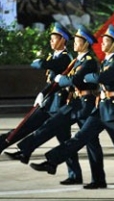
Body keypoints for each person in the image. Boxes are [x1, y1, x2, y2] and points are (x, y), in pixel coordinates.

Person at [30, 24, 114, 194]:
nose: (102, 45)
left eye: (105, 42)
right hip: (101, 106)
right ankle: (53, 161)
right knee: (81, 137)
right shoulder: (106, 62)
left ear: (113, 44)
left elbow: (102, 78)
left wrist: (91, 77)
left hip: (113, 109)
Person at [5, 25, 106, 188]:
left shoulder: (88, 62)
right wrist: (45, 92)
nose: (74, 44)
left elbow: (76, 80)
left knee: (91, 142)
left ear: (85, 44)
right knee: (53, 126)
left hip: (86, 104)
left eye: (78, 41)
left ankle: (97, 179)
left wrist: (63, 80)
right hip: (76, 102)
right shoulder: (76, 61)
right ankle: (27, 151)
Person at [0, 23, 72, 159]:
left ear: (62, 40)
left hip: (58, 104)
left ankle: (74, 174)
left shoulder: (64, 58)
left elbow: (42, 64)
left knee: (64, 140)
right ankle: (7, 145)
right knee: (27, 126)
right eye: (50, 39)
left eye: (54, 38)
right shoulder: (54, 56)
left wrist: (40, 63)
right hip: (49, 102)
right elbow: (40, 66)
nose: (51, 41)